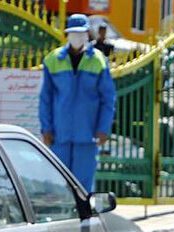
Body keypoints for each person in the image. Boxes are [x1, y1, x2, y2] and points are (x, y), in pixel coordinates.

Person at [39, 14, 117, 192]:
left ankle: (84, 218)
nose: (77, 36)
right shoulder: (53, 60)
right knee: (58, 185)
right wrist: (46, 128)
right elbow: (46, 98)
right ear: (67, 34)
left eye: (80, 33)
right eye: (73, 33)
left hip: (87, 135)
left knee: (84, 188)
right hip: (59, 135)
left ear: (87, 34)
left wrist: (103, 128)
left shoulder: (98, 61)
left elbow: (108, 98)